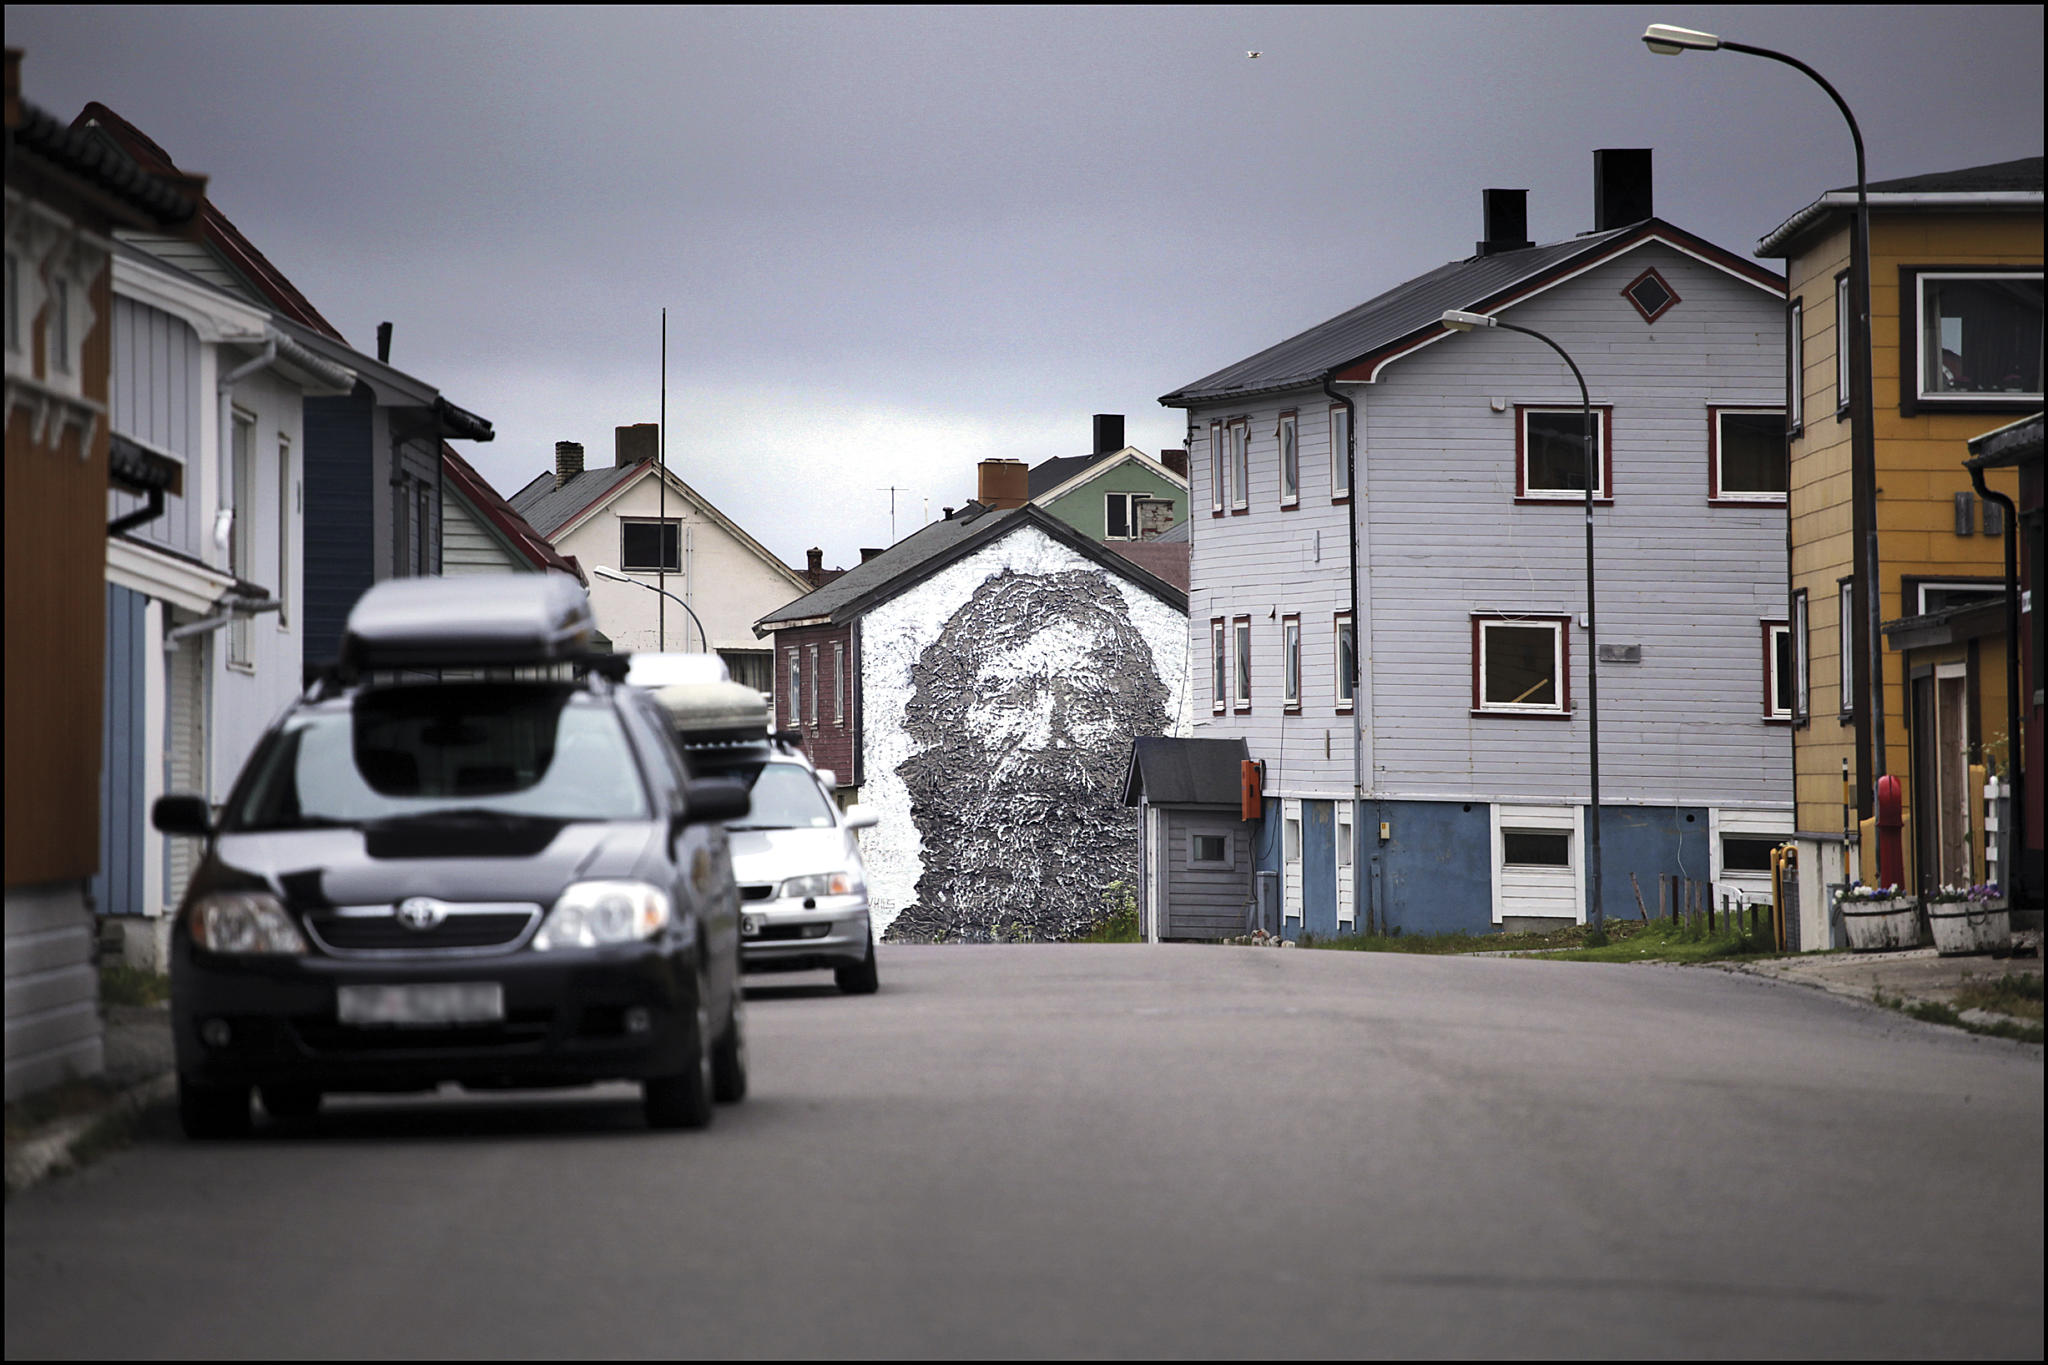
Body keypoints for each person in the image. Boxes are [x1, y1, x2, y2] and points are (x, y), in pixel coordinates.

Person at [888, 569, 1169, 942]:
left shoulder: (1141, 929)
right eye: (1009, 702)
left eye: (1087, 705)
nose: (1046, 739)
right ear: (949, 722)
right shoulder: (913, 944)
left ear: (1136, 723)